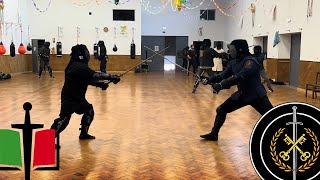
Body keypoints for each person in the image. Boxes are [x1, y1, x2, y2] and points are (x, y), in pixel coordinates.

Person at [200, 39, 273, 141]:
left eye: (232, 49)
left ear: (240, 50)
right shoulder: (234, 62)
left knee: (273, 117)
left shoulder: (250, 61)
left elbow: (239, 77)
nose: (230, 51)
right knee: (221, 110)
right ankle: (214, 134)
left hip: (256, 95)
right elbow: (223, 75)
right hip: (243, 95)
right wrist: (210, 79)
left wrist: (221, 85)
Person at [50, 44, 120, 139]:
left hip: (78, 98)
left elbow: (87, 80)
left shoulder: (78, 65)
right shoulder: (77, 66)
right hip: (69, 98)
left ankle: (83, 133)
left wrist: (100, 84)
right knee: (64, 120)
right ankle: (47, 140)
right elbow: (95, 75)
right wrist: (110, 77)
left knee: (89, 110)